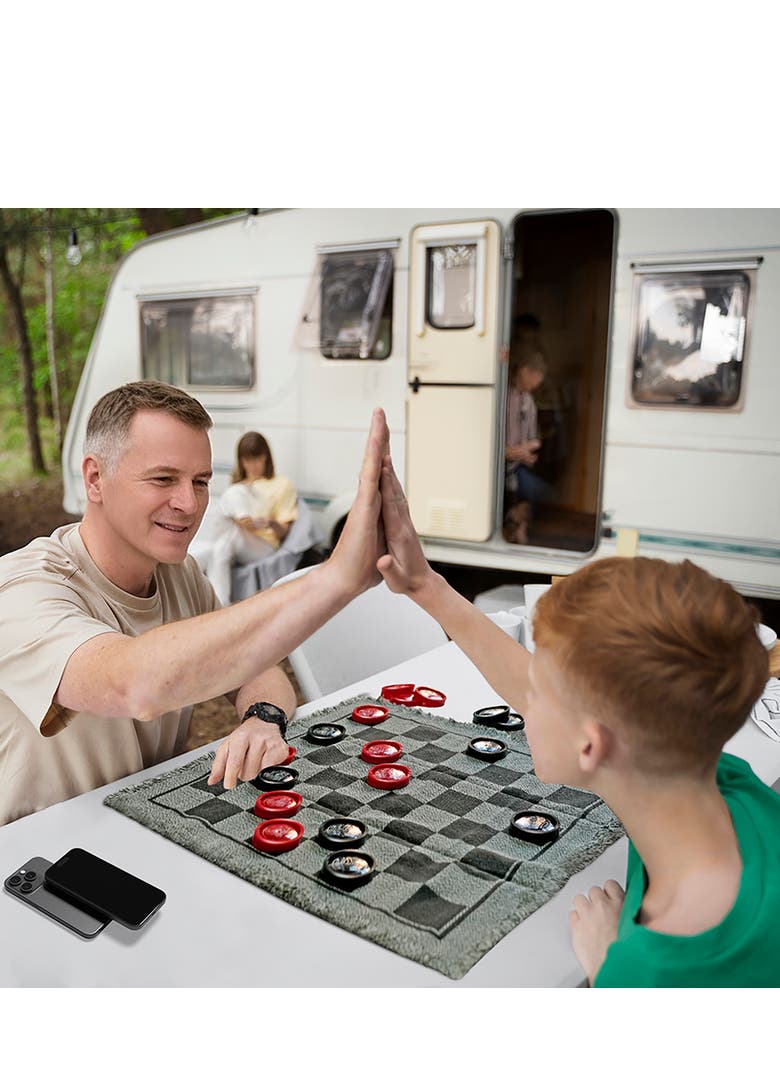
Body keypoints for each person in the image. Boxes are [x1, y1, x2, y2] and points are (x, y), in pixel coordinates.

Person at [376, 443, 779, 987]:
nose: (525, 696)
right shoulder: (725, 786)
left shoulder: (650, 973)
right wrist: (428, 586)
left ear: (591, 746)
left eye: (539, 692)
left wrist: (604, 965)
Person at [0, 381, 389, 827]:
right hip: (30, 861)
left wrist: (263, 719)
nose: (188, 503)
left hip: (145, 826)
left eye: (200, 482)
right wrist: (331, 579)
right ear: (94, 479)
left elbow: (258, 670)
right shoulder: (21, 587)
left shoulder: (179, 573)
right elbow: (133, 685)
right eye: (163, 478)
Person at [202, 431, 299, 605]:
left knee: (223, 544)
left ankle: (219, 606)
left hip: (264, 544)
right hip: (236, 534)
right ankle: (217, 603)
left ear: (266, 458)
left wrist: (270, 523)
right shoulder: (239, 484)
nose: (252, 465)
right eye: (247, 460)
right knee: (219, 544)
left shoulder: (281, 484)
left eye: (257, 459)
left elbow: (284, 531)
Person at [503, 342, 553, 545]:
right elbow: (496, 448)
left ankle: (517, 522)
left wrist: (529, 449)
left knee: (539, 489)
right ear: (525, 371)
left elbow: (532, 435)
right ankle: (514, 521)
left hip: (517, 463)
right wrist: (519, 452)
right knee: (540, 492)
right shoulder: (504, 397)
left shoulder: (528, 400)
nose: (537, 385)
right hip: (504, 465)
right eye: (536, 378)